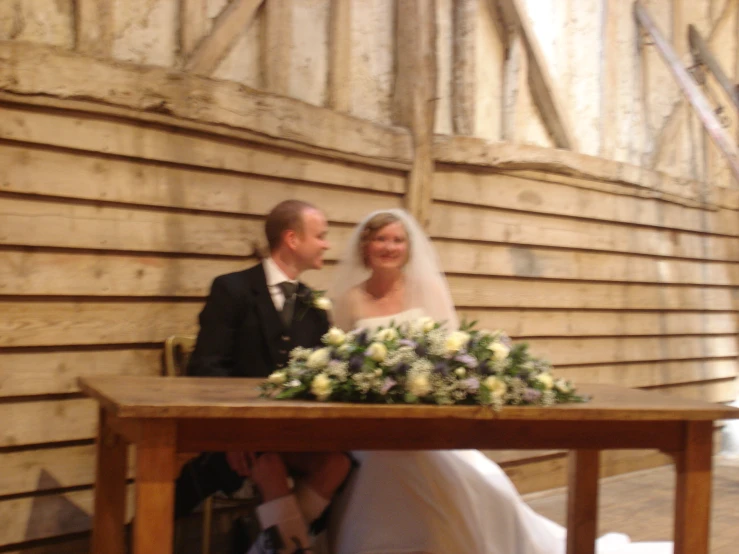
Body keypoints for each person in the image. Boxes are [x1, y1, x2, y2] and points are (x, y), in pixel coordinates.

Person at [326, 209, 673, 554]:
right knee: (382, 463)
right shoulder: (350, 299)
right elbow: (339, 358)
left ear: (408, 247)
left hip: (423, 418)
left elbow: (450, 351)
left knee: (456, 475)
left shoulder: (426, 289)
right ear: (366, 245)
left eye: (398, 240)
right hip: (371, 424)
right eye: (381, 239)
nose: (389, 247)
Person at [175, 200, 351, 553]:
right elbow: (207, 367)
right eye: (320, 236)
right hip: (238, 435)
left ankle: (266, 542)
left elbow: (325, 372)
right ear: (292, 239)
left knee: (338, 462)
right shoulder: (232, 289)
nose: (326, 244)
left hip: (294, 433)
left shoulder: (313, 305)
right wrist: (234, 434)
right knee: (268, 464)